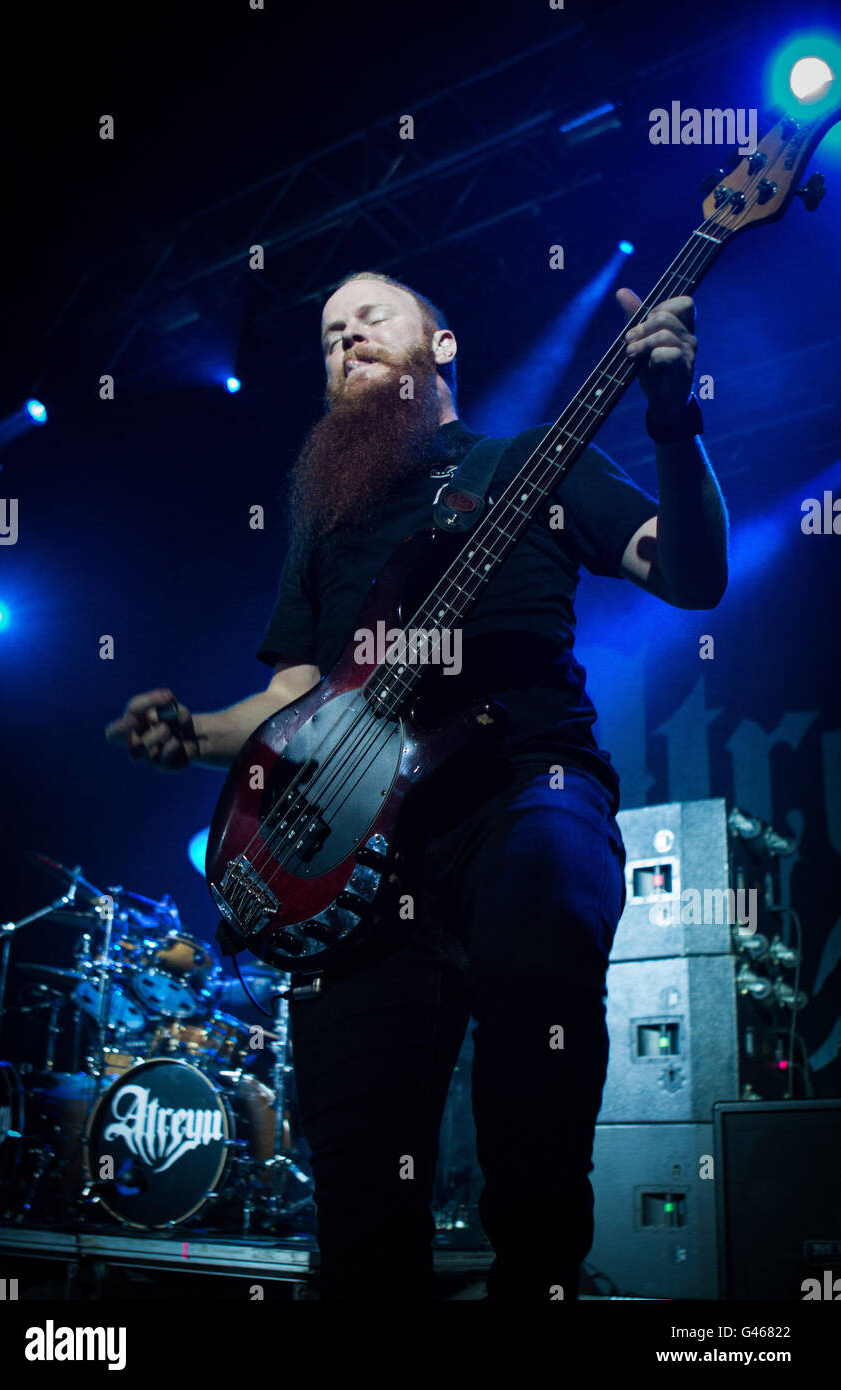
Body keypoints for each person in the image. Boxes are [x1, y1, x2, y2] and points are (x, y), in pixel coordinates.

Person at [106, 270, 728, 1300]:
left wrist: (671, 415)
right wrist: (193, 735)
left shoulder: (529, 460)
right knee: (358, 1198)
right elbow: (293, 702)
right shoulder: (325, 525)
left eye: (368, 318)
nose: (344, 337)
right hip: (359, 852)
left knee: (539, 917)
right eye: (325, 334)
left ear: (440, 348)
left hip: (522, 786)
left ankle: (539, 1271)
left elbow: (690, 575)